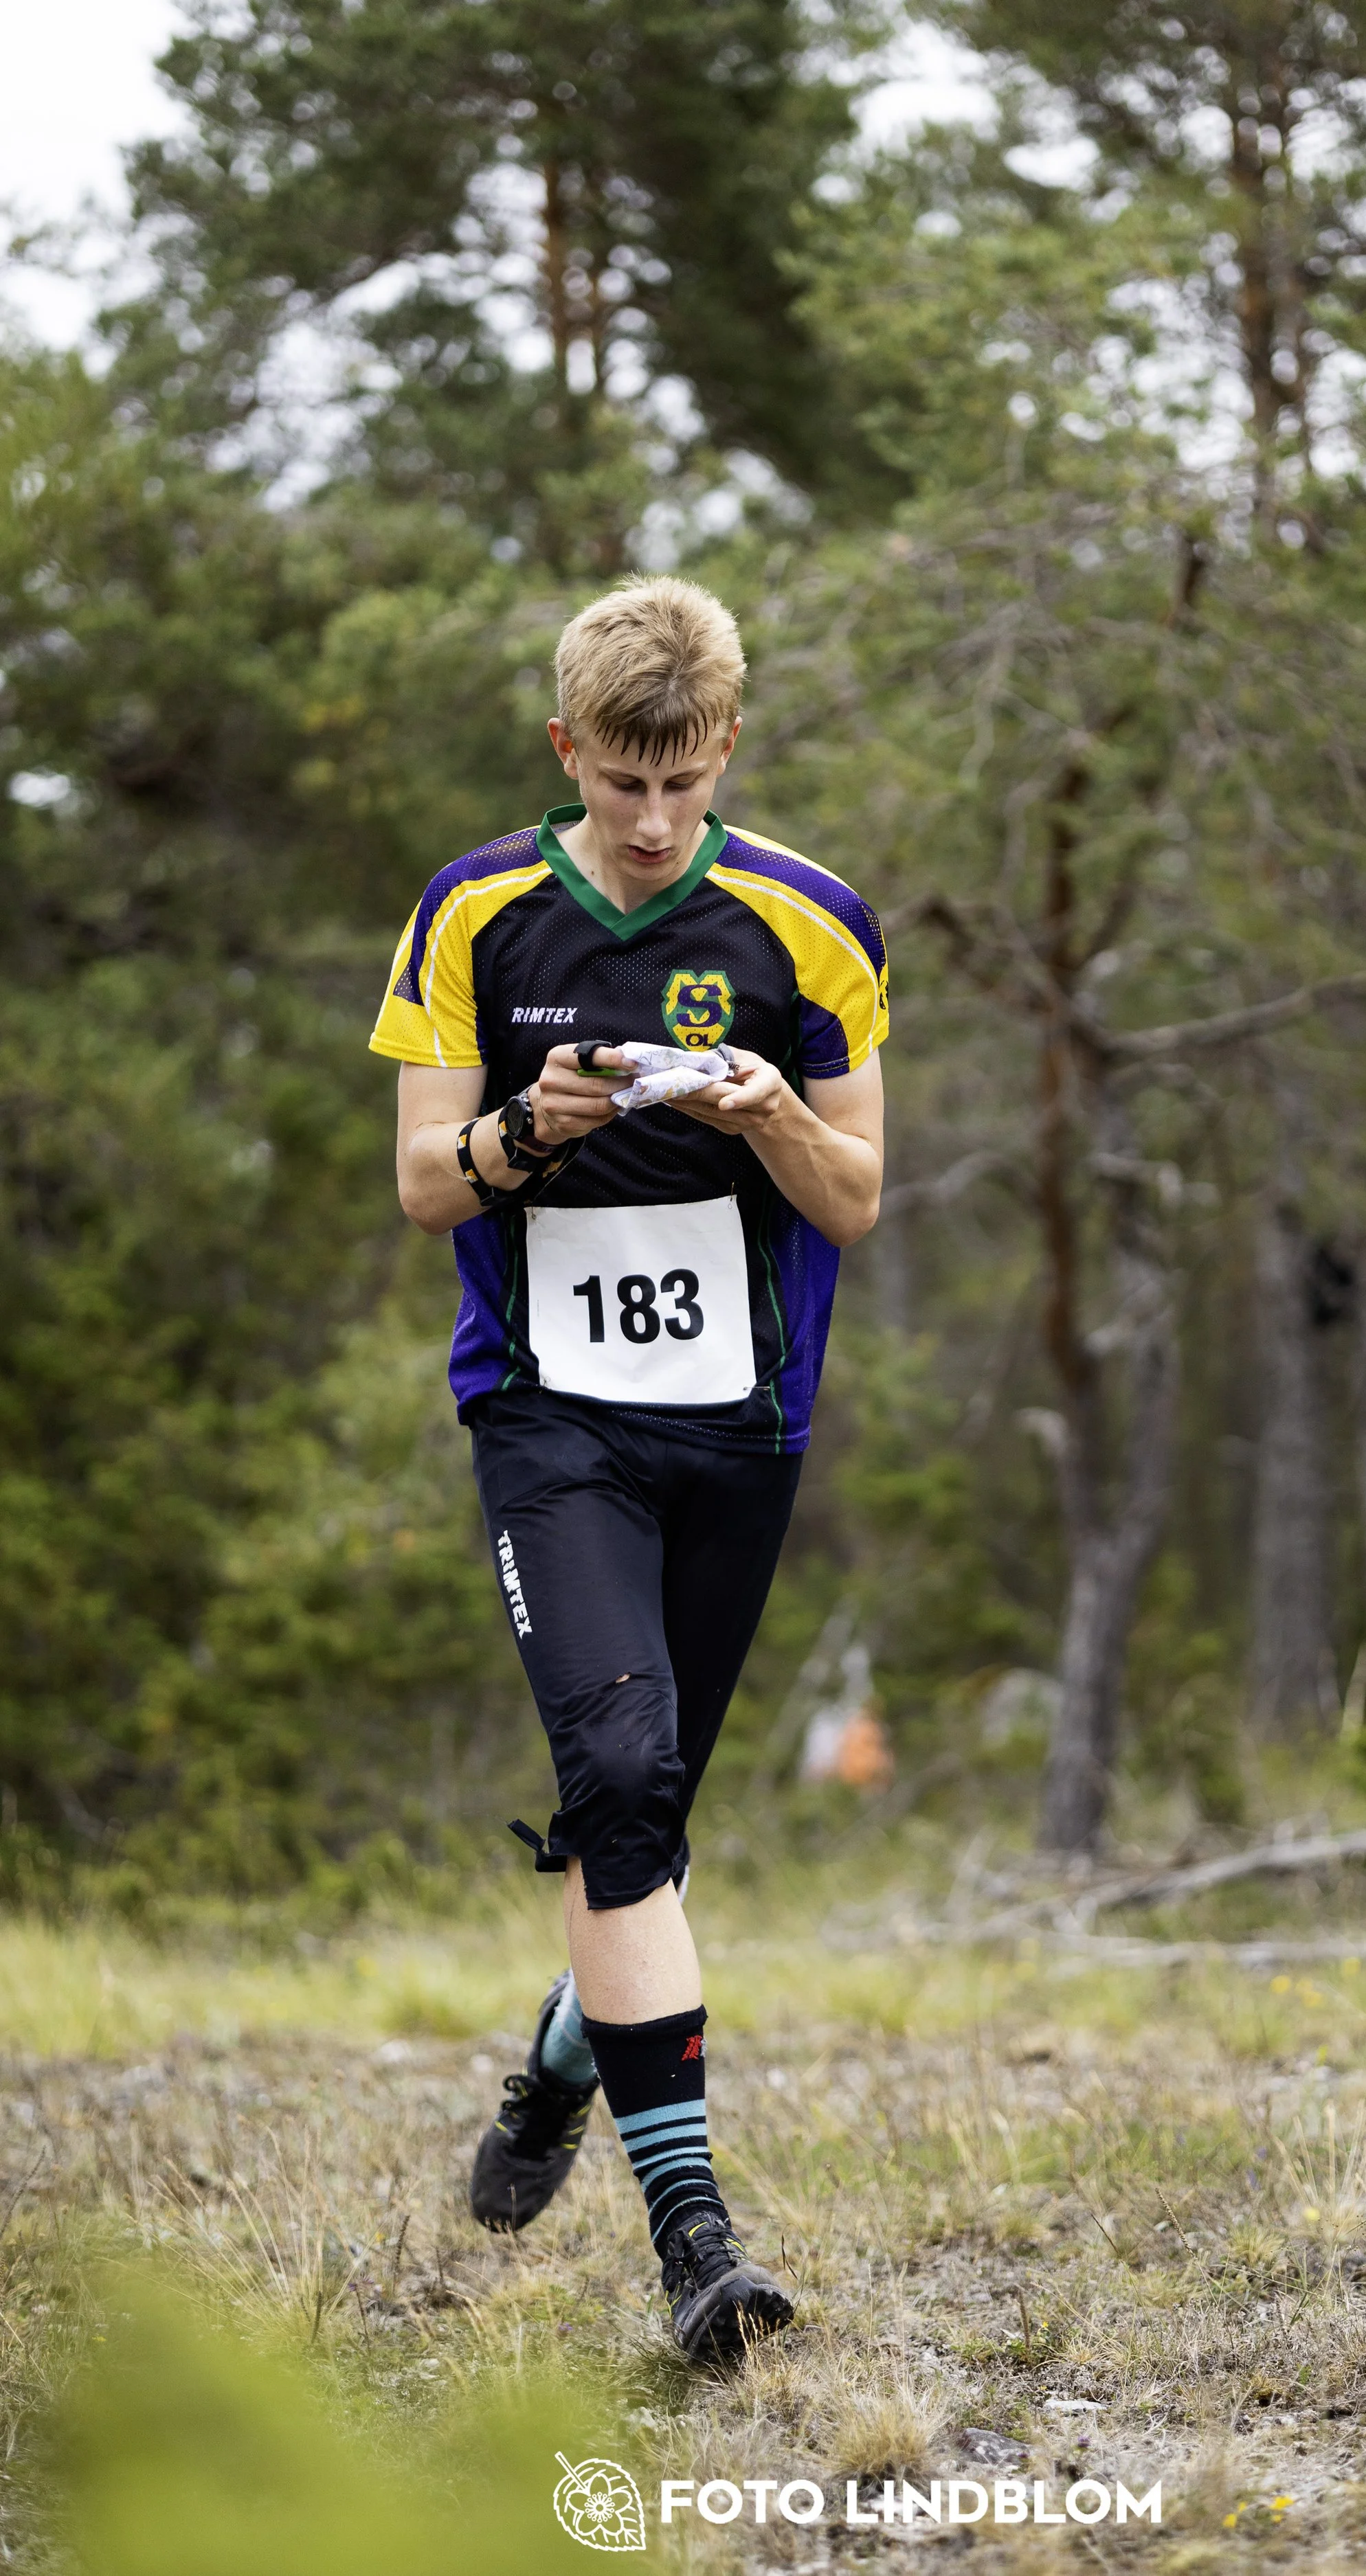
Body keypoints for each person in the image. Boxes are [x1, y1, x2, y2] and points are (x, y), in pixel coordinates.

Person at [369, 576, 886, 2362]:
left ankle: (550, 2078)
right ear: (565, 749)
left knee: (642, 1820)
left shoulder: (809, 923)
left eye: (682, 784)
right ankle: (695, 2244)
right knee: (614, 1764)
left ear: (723, 748)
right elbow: (427, 1179)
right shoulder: (475, 908)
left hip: (739, 1420)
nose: (651, 823)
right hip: (549, 1412)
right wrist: (533, 1127)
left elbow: (857, 1197)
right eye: (619, 787)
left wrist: (770, 1111)